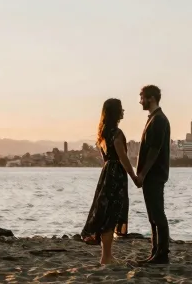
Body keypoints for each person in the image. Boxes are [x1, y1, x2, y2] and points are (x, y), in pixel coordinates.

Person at [81, 99, 138, 265]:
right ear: (115, 112)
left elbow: (106, 158)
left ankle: (106, 255)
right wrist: (133, 176)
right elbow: (122, 157)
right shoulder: (117, 133)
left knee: (105, 211)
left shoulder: (103, 133)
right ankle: (106, 257)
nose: (123, 111)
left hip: (106, 172)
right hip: (116, 174)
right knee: (112, 212)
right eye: (121, 109)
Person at [134, 85, 171, 265]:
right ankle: (156, 252)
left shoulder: (158, 120)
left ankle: (162, 254)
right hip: (151, 175)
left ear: (151, 98)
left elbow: (154, 150)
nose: (140, 101)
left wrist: (143, 173)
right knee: (153, 216)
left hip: (154, 175)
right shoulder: (154, 119)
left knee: (157, 214)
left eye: (142, 97)